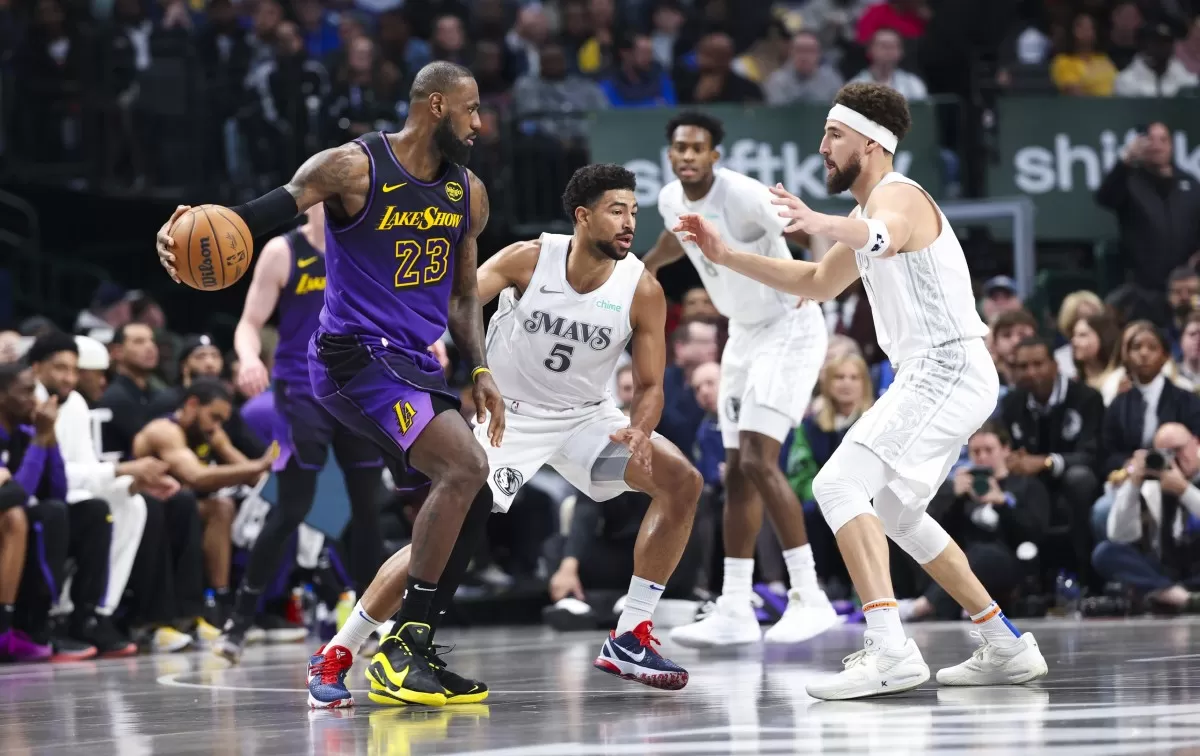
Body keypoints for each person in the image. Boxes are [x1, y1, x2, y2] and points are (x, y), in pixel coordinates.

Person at [673, 81, 1048, 699]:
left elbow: (887, 237)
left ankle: (890, 649)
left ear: (871, 145)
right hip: (941, 373)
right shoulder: (865, 212)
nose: (822, 146)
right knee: (897, 511)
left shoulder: (897, 198)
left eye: (833, 134)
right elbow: (819, 281)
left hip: (947, 366)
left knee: (838, 482)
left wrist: (822, 221)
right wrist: (725, 254)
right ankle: (1005, 642)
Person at [155, 61, 503, 709]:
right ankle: (407, 650)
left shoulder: (468, 193)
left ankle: (343, 651)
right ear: (434, 106)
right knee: (464, 468)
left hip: (413, 365)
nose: (480, 123)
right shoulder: (351, 167)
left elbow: (462, 297)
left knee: (467, 501)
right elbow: (251, 217)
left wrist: (479, 367)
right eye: (471, 109)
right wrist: (181, 233)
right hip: (351, 357)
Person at [321, 164, 702, 706]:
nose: (628, 223)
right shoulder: (530, 257)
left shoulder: (642, 287)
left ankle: (631, 634)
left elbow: (650, 385)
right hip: (509, 419)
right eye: (617, 211)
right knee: (440, 539)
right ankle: (340, 649)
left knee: (682, 481)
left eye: (634, 213)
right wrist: (428, 341)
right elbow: (460, 299)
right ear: (583, 215)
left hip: (587, 418)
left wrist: (641, 429)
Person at [643, 110, 836, 647]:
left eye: (697, 147)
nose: (686, 155)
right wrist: (646, 267)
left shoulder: (744, 194)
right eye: (679, 147)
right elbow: (671, 241)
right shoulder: (670, 200)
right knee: (737, 471)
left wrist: (817, 281)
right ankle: (734, 606)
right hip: (744, 336)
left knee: (758, 458)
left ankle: (809, 597)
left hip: (790, 327)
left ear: (715, 155)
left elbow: (807, 228)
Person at [215, 202, 388, 663]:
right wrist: (250, 358)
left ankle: (373, 625)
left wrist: (425, 339)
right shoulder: (283, 251)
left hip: (358, 384)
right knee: (292, 505)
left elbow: (396, 307)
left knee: (367, 509)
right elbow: (250, 323)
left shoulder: (367, 246)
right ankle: (240, 621)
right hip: (301, 387)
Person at [131, 378, 279, 632]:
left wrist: (225, 447)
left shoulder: (207, 433)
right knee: (195, 504)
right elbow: (195, 476)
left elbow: (257, 480)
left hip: (181, 507)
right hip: (144, 509)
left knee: (222, 507)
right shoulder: (165, 430)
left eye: (223, 420)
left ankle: (220, 602)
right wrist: (259, 464)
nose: (217, 426)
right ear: (192, 404)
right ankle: (171, 615)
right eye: (214, 417)